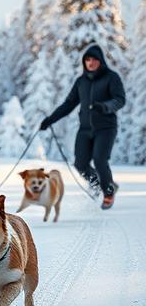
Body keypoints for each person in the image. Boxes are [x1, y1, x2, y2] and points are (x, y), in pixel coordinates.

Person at [40, 43, 126, 209]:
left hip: (106, 128)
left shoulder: (111, 77)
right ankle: (97, 184)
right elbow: (69, 104)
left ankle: (108, 191)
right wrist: (50, 120)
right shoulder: (81, 82)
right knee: (80, 163)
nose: (91, 63)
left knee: (100, 160)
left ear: (100, 61)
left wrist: (105, 106)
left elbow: (120, 99)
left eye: (94, 59)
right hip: (85, 129)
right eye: (87, 60)